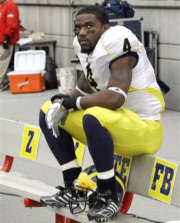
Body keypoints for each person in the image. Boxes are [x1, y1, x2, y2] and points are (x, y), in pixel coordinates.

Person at [39, 5, 165, 222]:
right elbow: (85, 86)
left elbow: (115, 98)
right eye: (78, 27)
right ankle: (73, 185)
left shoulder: (117, 41)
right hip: (116, 125)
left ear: (105, 28)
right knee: (48, 110)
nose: (82, 32)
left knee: (93, 114)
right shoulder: (87, 47)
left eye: (90, 27)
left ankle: (108, 193)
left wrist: (74, 102)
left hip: (145, 128)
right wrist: (64, 102)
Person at [0, 0, 19, 90]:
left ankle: (1, 83)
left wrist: (7, 37)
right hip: (2, 39)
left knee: (2, 61)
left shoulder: (10, 5)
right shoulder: (3, 5)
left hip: (5, 40)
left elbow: (12, 24)